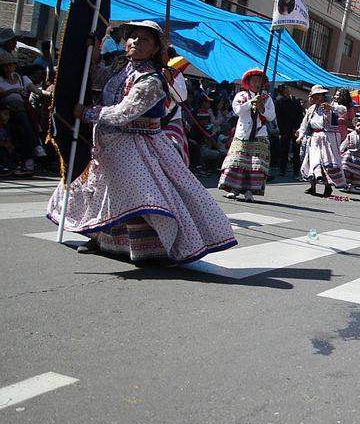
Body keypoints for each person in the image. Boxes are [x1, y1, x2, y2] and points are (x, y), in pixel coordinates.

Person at [45, 20, 236, 263]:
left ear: (155, 48)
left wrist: (88, 113)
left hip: (139, 145)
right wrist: (93, 53)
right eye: (133, 37)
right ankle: (101, 238)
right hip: (108, 144)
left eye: (144, 39)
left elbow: (124, 113)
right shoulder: (120, 66)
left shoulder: (152, 80)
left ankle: (150, 247)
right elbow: (96, 81)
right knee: (104, 192)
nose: (136, 42)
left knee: (142, 195)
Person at [219, 67, 276, 202]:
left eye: (259, 81)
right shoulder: (241, 96)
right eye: (254, 81)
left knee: (255, 165)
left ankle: (249, 191)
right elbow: (238, 111)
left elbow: (271, 116)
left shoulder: (266, 98)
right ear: (248, 82)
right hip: (242, 134)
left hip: (259, 135)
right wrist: (251, 103)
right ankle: (234, 189)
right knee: (237, 162)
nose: (257, 84)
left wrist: (261, 108)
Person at [0, 50, 50, 175]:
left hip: (22, 108)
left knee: (25, 114)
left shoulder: (22, 78)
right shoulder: (0, 80)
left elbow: (37, 91)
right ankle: (36, 145)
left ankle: (31, 156)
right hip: (6, 108)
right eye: (5, 66)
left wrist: (50, 94)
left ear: (15, 65)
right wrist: (13, 91)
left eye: (10, 65)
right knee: (21, 113)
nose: (8, 68)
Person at [298, 84, 348, 197]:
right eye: (314, 95)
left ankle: (327, 186)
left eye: (318, 95)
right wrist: (300, 135)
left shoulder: (331, 107)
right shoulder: (311, 109)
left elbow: (343, 110)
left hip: (327, 139)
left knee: (326, 163)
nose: (316, 98)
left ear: (322, 96)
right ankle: (312, 186)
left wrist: (332, 109)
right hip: (314, 138)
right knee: (312, 161)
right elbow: (304, 124)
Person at [339, 116, 360, 190]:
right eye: (358, 125)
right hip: (349, 154)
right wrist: (341, 151)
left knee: (357, 172)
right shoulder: (351, 135)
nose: (359, 127)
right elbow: (345, 143)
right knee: (345, 168)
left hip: (359, 156)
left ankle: (353, 186)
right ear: (355, 126)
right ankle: (345, 184)